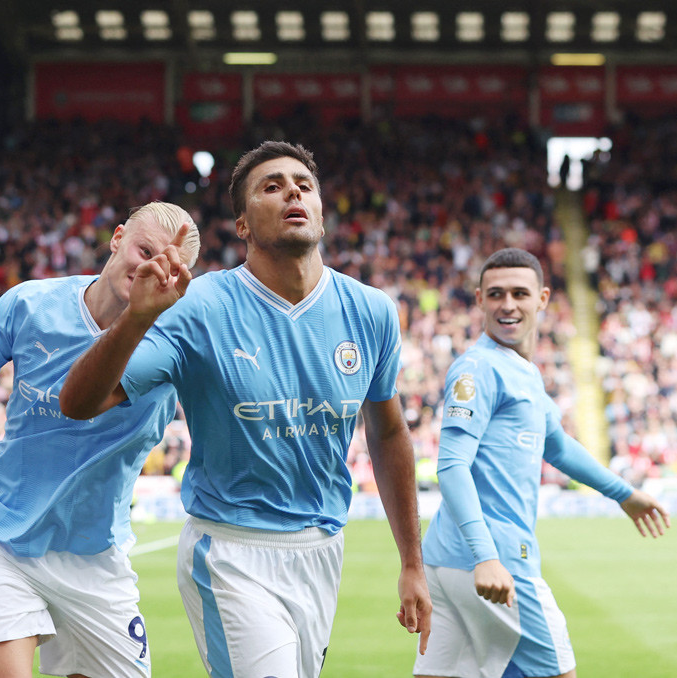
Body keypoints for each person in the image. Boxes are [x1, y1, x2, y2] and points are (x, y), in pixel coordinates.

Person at [59, 141, 431, 677]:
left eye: (304, 185)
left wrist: (412, 563)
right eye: (271, 187)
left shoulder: (371, 311)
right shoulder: (199, 306)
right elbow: (79, 402)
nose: (292, 193)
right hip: (231, 550)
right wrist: (136, 319)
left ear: (320, 209)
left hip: (323, 549)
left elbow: (389, 433)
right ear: (243, 226)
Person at [0, 202, 201, 678]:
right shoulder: (31, 305)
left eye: (169, 266)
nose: (151, 268)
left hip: (97, 556)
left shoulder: (177, 342)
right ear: (116, 239)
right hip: (5, 544)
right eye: (144, 251)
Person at [414, 247, 670, 678]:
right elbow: (452, 465)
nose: (508, 305)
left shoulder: (524, 373)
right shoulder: (478, 369)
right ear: (479, 300)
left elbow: (559, 446)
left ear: (542, 299)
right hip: (495, 559)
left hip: (448, 560)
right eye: (496, 294)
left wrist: (624, 494)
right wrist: (486, 555)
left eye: (519, 293)